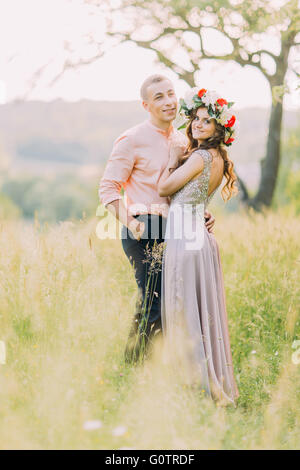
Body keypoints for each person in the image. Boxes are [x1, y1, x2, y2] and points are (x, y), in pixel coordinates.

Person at [98, 75, 215, 363]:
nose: (168, 102)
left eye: (171, 94)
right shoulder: (132, 139)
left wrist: (201, 212)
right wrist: (131, 222)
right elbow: (108, 187)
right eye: (159, 97)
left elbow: (180, 191)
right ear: (146, 105)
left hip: (176, 227)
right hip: (143, 226)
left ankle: (163, 370)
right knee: (153, 300)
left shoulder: (183, 140)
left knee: (176, 301)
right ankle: (134, 369)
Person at [157, 88, 239, 406]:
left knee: (185, 312)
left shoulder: (201, 156)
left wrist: (170, 161)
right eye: (195, 119)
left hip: (185, 240)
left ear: (219, 129)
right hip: (198, 238)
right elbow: (194, 197)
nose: (198, 125)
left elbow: (165, 188)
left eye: (207, 121)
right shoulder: (216, 158)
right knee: (200, 313)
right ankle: (202, 384)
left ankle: (209, 390)